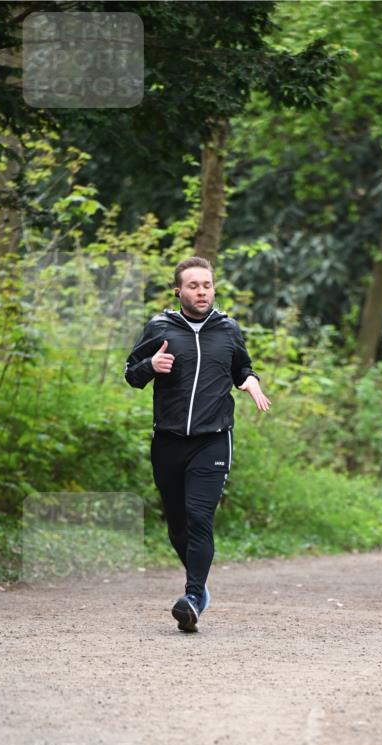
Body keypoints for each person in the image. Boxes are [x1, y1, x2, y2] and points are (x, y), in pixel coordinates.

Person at [125, 256, 270, 632]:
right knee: (177, 526)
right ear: (179, 291)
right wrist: (150, 368)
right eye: (193, 286)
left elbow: (242, 367)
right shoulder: (160, 326)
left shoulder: (228, 329)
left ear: (213, 288)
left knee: (200, 518)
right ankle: (199, 587)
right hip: (168, 441)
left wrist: (250, 380)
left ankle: (192, 597)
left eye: (206, 285)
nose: (201, 291)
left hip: (213, 439)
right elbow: (131, 374)